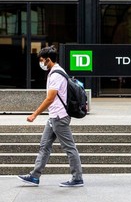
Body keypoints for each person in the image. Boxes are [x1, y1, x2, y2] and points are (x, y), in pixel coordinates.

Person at [17, 45, 84, 187]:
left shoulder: (56, 75)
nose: (41, 63)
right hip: (54, 117)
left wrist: (34, 114)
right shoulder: (56, 71)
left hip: (59, 117)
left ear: (48, 60)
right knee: (44, 145)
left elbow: (50, 98)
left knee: (69, 147)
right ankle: (35, 176)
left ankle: (77, 178)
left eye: (42, 60)